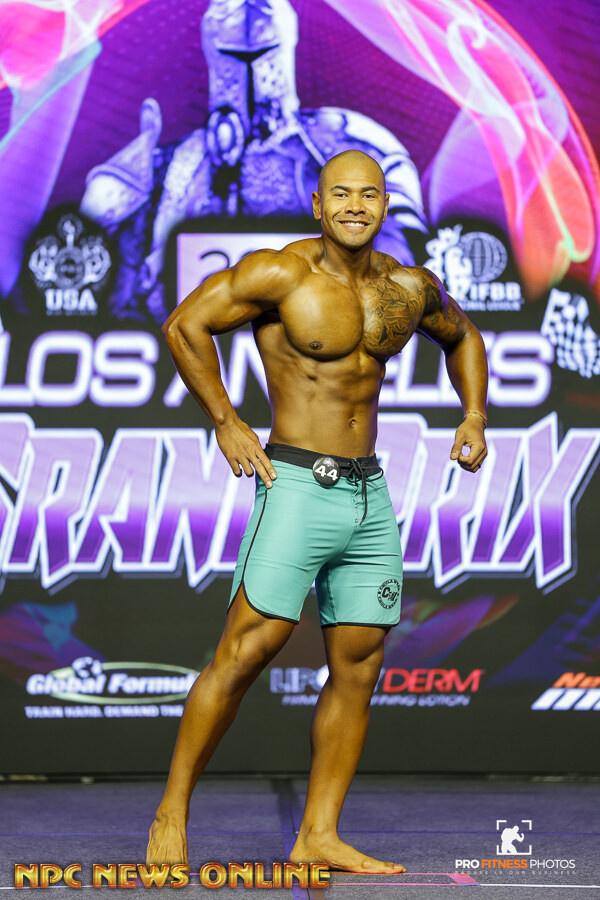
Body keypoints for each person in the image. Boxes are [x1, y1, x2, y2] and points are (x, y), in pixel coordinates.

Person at [146, 149, 488, 875]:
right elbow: (184, 325)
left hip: (368, 495)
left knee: (359, 665)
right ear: (318, 203)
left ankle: (319, 835)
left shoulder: (409, 286)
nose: (355, 206)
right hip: (297, 484)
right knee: (246, 651)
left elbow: (463, 336)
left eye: (369, 195)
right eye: (341, 194)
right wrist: (226, 420)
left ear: (385, 204)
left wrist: (474, 416)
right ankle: (171, 812)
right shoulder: (281, 274)